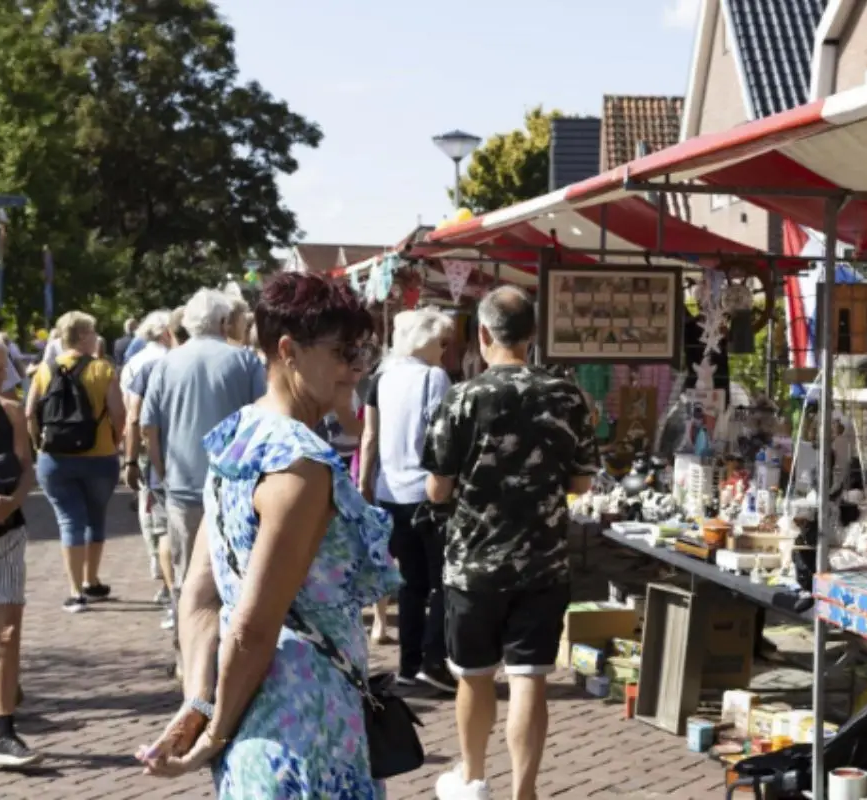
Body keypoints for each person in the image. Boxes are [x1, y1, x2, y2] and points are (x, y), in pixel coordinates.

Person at [135, 272, 398, 798]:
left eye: (362, 350)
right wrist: (212, 729)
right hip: (305, 729)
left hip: (255, 723)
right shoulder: (300, 464)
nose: (356, 367)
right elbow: (253, 625)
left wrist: (202, 700)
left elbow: (201, 593)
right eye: (344, 351)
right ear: (288, 351)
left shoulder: (240, 435)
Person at [424, 287, 598, 800]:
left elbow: (438, 486)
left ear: (482, 334)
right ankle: (525, 791)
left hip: (473, 564)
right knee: (529, 677)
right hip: (542, 562)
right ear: (532, 335)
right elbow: (582, 483)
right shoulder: (567, 396)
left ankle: (473, 779)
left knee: (474, 676)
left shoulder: (461, 397)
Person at [140, 290, 265, 668]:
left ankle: (187, 660)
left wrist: (163, 473)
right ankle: (231, 659)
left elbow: (149, 428)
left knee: (185, 578)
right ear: (226, 322)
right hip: (234, 487)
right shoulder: (244, 361)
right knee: (237, 577)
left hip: (182, 487)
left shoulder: (166, 364)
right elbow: (264, 419)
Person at [359, 307, 455, 691]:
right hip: (426, 492)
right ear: (426, 341)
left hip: (388, 491)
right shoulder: (434, 378)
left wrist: (366, 483)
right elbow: (442, 438)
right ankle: (434, 660)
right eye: (442, 342)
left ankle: (409, 663)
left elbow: (369, 438)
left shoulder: (381, 378)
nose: (445, 350)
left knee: (409, 583)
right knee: (443, 582)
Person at [26, 311, 124, 613]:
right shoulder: (102, 369)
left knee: (69, 521)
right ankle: (91, 581)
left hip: (55, 458)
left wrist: (38, 445)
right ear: (83, 336)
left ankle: (74, 591)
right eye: (92, 333)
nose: (95, 337)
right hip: (99, 455)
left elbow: (30, 413)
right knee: (95, 517)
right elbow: (119, 412)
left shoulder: (44, 370)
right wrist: (115, 441)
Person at [0, 336, 40, 767]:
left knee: (7, 639)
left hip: (6, 541)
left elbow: (26, 471)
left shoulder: (10, 413)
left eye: (1, 367)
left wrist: (12, 502)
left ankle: (4, 732)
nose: (0, 376)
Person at [121, 309, 178, 616]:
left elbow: (133, 417)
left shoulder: (136, 364)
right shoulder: (177, 362)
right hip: (183, 452)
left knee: (158, 521)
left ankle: (164, 579)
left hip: (150, 451)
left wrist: (129, 459)